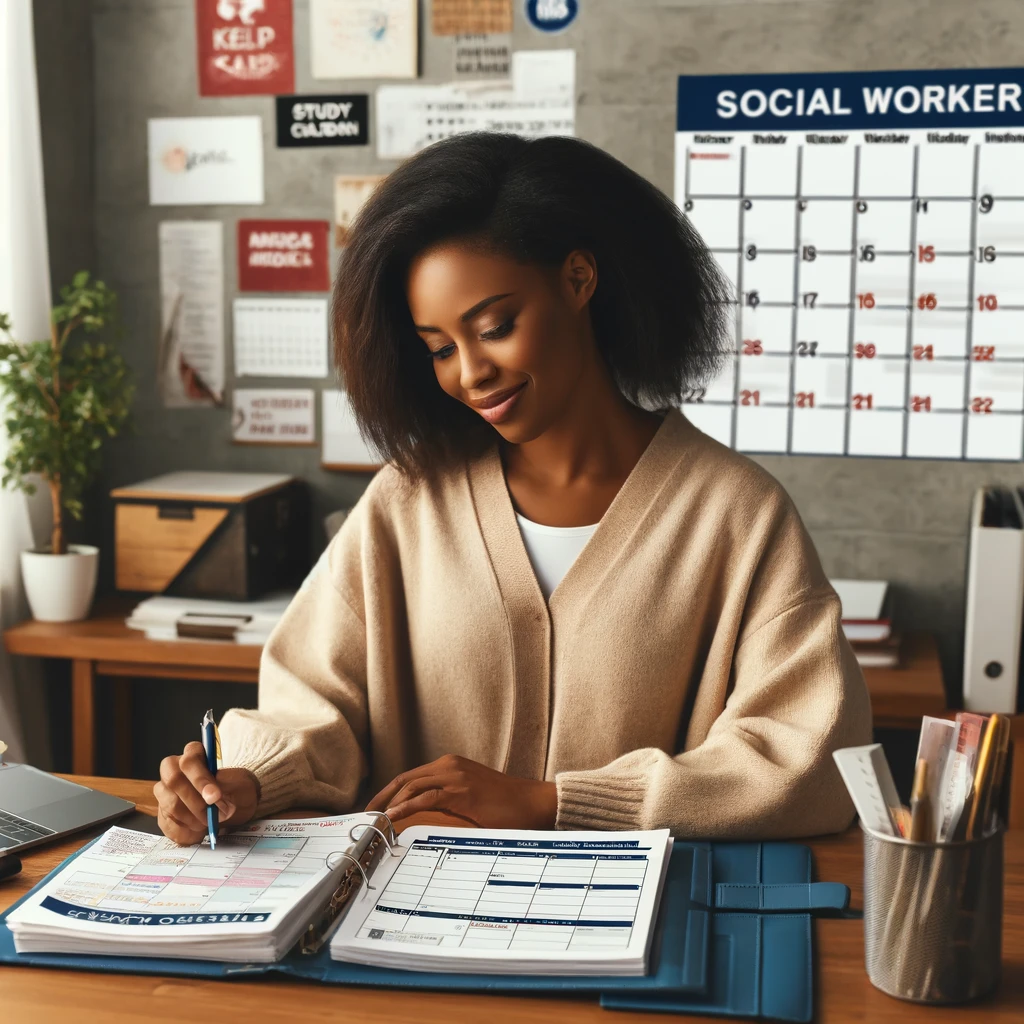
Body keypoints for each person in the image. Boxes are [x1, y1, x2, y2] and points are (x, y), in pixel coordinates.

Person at [154, 132, 871, 845]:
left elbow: (808, 766)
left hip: (628, 936)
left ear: (579, 279)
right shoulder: (408, 503)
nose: (470, 373)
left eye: (495, 326)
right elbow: (313, 705)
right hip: (409, 928)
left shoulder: (737, 515)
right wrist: (246, 782)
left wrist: (556, 802)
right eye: (439, 348)